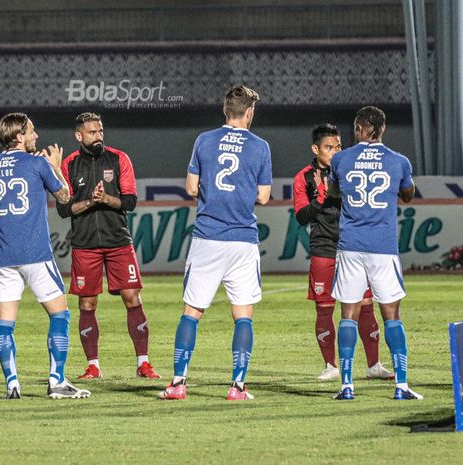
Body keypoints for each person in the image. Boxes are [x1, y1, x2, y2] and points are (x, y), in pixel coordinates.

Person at [160, 85, 271, 400]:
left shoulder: (204, 140)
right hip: (243, 240)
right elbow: (263, 196)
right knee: (243, 315)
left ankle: (178, 383)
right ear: (249, 112)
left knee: (191, 312)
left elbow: (192, 188)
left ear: (226, 110)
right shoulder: (260, 146)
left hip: (207, 236)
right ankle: (237, 386)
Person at [0, 112, 90, 399]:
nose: (36, 136)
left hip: (5, 259)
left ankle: (12, 384)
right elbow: (66, 196)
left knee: (5, 324)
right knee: (60, 315)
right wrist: (54, 167)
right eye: (31, 131)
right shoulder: (37, 162)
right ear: (19, 136)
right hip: (36, 254)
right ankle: (57, 382)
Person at [55, 112, 160, 380]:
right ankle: (93, 366)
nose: (98, 136)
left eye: (100, 131)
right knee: (87, 304)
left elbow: (130, 202)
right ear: (79, 136)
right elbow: (64, 209)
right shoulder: (69, 165)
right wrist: (91, 201)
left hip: (117, 241)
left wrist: (106, 199)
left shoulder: (118, 158)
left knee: (132, 298)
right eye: (92, 132)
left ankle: (143, 363)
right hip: (85, 244)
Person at [328, 106, 422, 400]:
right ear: (383, 130)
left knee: (348, 313)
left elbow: (333, 193)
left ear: (359, 129)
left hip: (351, 246)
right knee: (391, 314)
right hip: (382, 247)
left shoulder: (341, 159)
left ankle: (346, 386)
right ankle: (401, 386)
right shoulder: (399, 161)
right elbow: (408, 195)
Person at [293, 123, 393, 381]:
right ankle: (331, 366)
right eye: (329, 147)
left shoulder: (351, 169)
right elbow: (302, 217)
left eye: (338, 146)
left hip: (354, 247)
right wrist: (321, 197)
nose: (335, 151)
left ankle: (374, 365)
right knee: (324, 309)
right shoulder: (303, 177)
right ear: (316, 149)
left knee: (366, 306)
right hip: (324, 248)